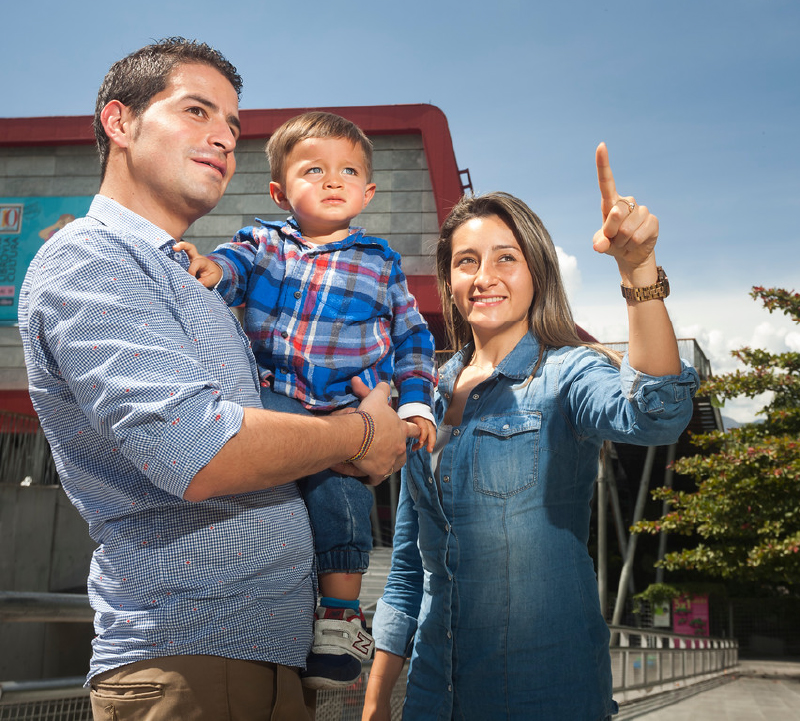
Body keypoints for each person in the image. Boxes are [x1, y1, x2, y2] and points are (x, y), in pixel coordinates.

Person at [17, 38, 416, 721]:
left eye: (232, 127)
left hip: (266, 657)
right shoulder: (90, 258)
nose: (224, 140)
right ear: (119, 122)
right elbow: (197, 450)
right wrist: (359, 434)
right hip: (191, 656)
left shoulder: (194, 282)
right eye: (197, 112)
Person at [361, 145, 701, 720]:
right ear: (448, 276)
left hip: (545, 695)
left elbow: (657, 414)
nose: (484, 277)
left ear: (536, 272)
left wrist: (637, 270)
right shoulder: (424, 394)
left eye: (505, 259)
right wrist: (374, 707)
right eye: (467, 261)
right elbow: (406, 575)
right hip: (430, 696)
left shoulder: (569, 372)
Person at [175, 110, 437, 689]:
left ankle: (341, 619)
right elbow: (234, 268)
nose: (332, 180)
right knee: (269, 487)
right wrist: (211, 268)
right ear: (279, 190)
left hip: (348, 407)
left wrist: (415, 404)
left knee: (342, 501)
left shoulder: (382, 262)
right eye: (313, 169)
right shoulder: (264, 242)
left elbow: (415, 338)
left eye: (347, 171)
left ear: (367, 192)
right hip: (276, 397)